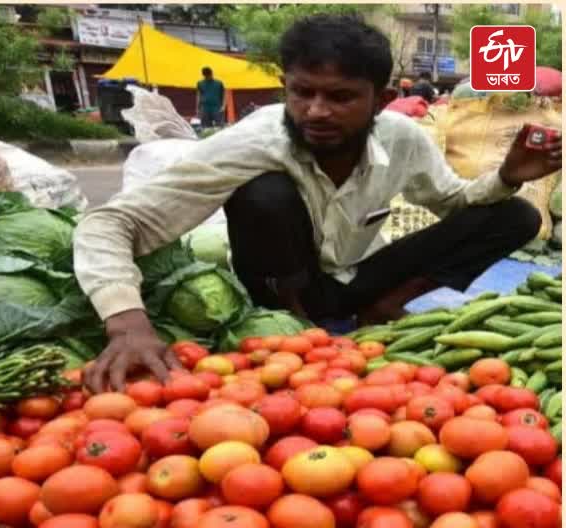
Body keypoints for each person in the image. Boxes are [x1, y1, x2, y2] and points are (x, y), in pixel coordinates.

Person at [73, 13, 560, 394]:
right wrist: (127, 323)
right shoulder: (256, 140)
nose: (316, 111)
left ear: (381, 98)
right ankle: (298, 325)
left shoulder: (403, 136)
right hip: (282, 289)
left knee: (516, 214)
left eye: (341, 97)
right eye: (301, 92)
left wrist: (506, 177)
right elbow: (110, 223)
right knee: (266, 193)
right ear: (286, 84)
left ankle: (384, 305)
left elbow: (453, 203)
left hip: (358, 278)